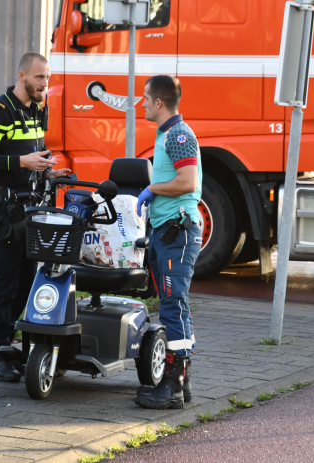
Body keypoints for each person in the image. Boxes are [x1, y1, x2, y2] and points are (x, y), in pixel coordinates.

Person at [0, 52, 70, 382]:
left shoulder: (36, 110)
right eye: (40, 78)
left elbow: (32, 153)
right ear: (22, 76)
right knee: (4, 282)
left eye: (48, 78)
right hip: (5, 210)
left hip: (31, 208)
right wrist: (22, 163)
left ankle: (2, 345)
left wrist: (48, 170)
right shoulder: (0, 111)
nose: (45, 84)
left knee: (27, 281)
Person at [135, 75, 203, 409]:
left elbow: (187, 181)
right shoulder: (168, 134)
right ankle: (182, 383)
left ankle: (171, 388)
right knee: (177, 304)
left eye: (145, 98)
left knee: (172, 306)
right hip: (169, 231)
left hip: (179, 231)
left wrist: (152, 190)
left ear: (158, 102)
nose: (142, 103)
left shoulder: (177, 134)